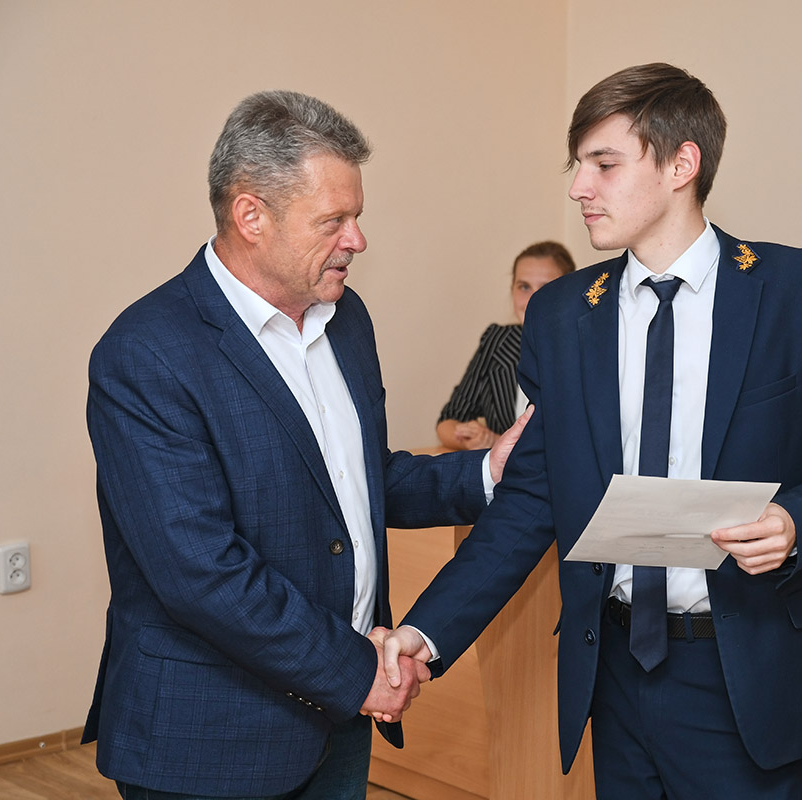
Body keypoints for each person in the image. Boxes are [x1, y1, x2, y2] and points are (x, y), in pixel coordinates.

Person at [383, 63, 802, 798]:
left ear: (681, 165)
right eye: (577, 166)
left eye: (604, 164)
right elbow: (530, 499)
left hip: (744, 669)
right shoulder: (562, 314)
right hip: (614, 670)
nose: (579, 188)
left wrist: (797, 521)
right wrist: (425, 632)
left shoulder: (798, 290)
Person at [83, 90, 526, 800]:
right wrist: (358, 672)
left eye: (358, 216)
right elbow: (201, 572)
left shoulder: (345, 321)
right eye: (334, 221)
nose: (358, 240)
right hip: (210, 740)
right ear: (250, 215)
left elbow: (355, 482)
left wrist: (484, 473)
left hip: (335, 724)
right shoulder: (146, 354)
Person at [436, 241, 575, 450]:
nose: (532, 299)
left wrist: (498, 443)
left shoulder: (587, 347)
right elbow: (447, 422)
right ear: (512, 291)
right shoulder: (497, 341)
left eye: (546, 288)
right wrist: (473, 439)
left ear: (570, 293)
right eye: (524, 287)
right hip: (503, 472)